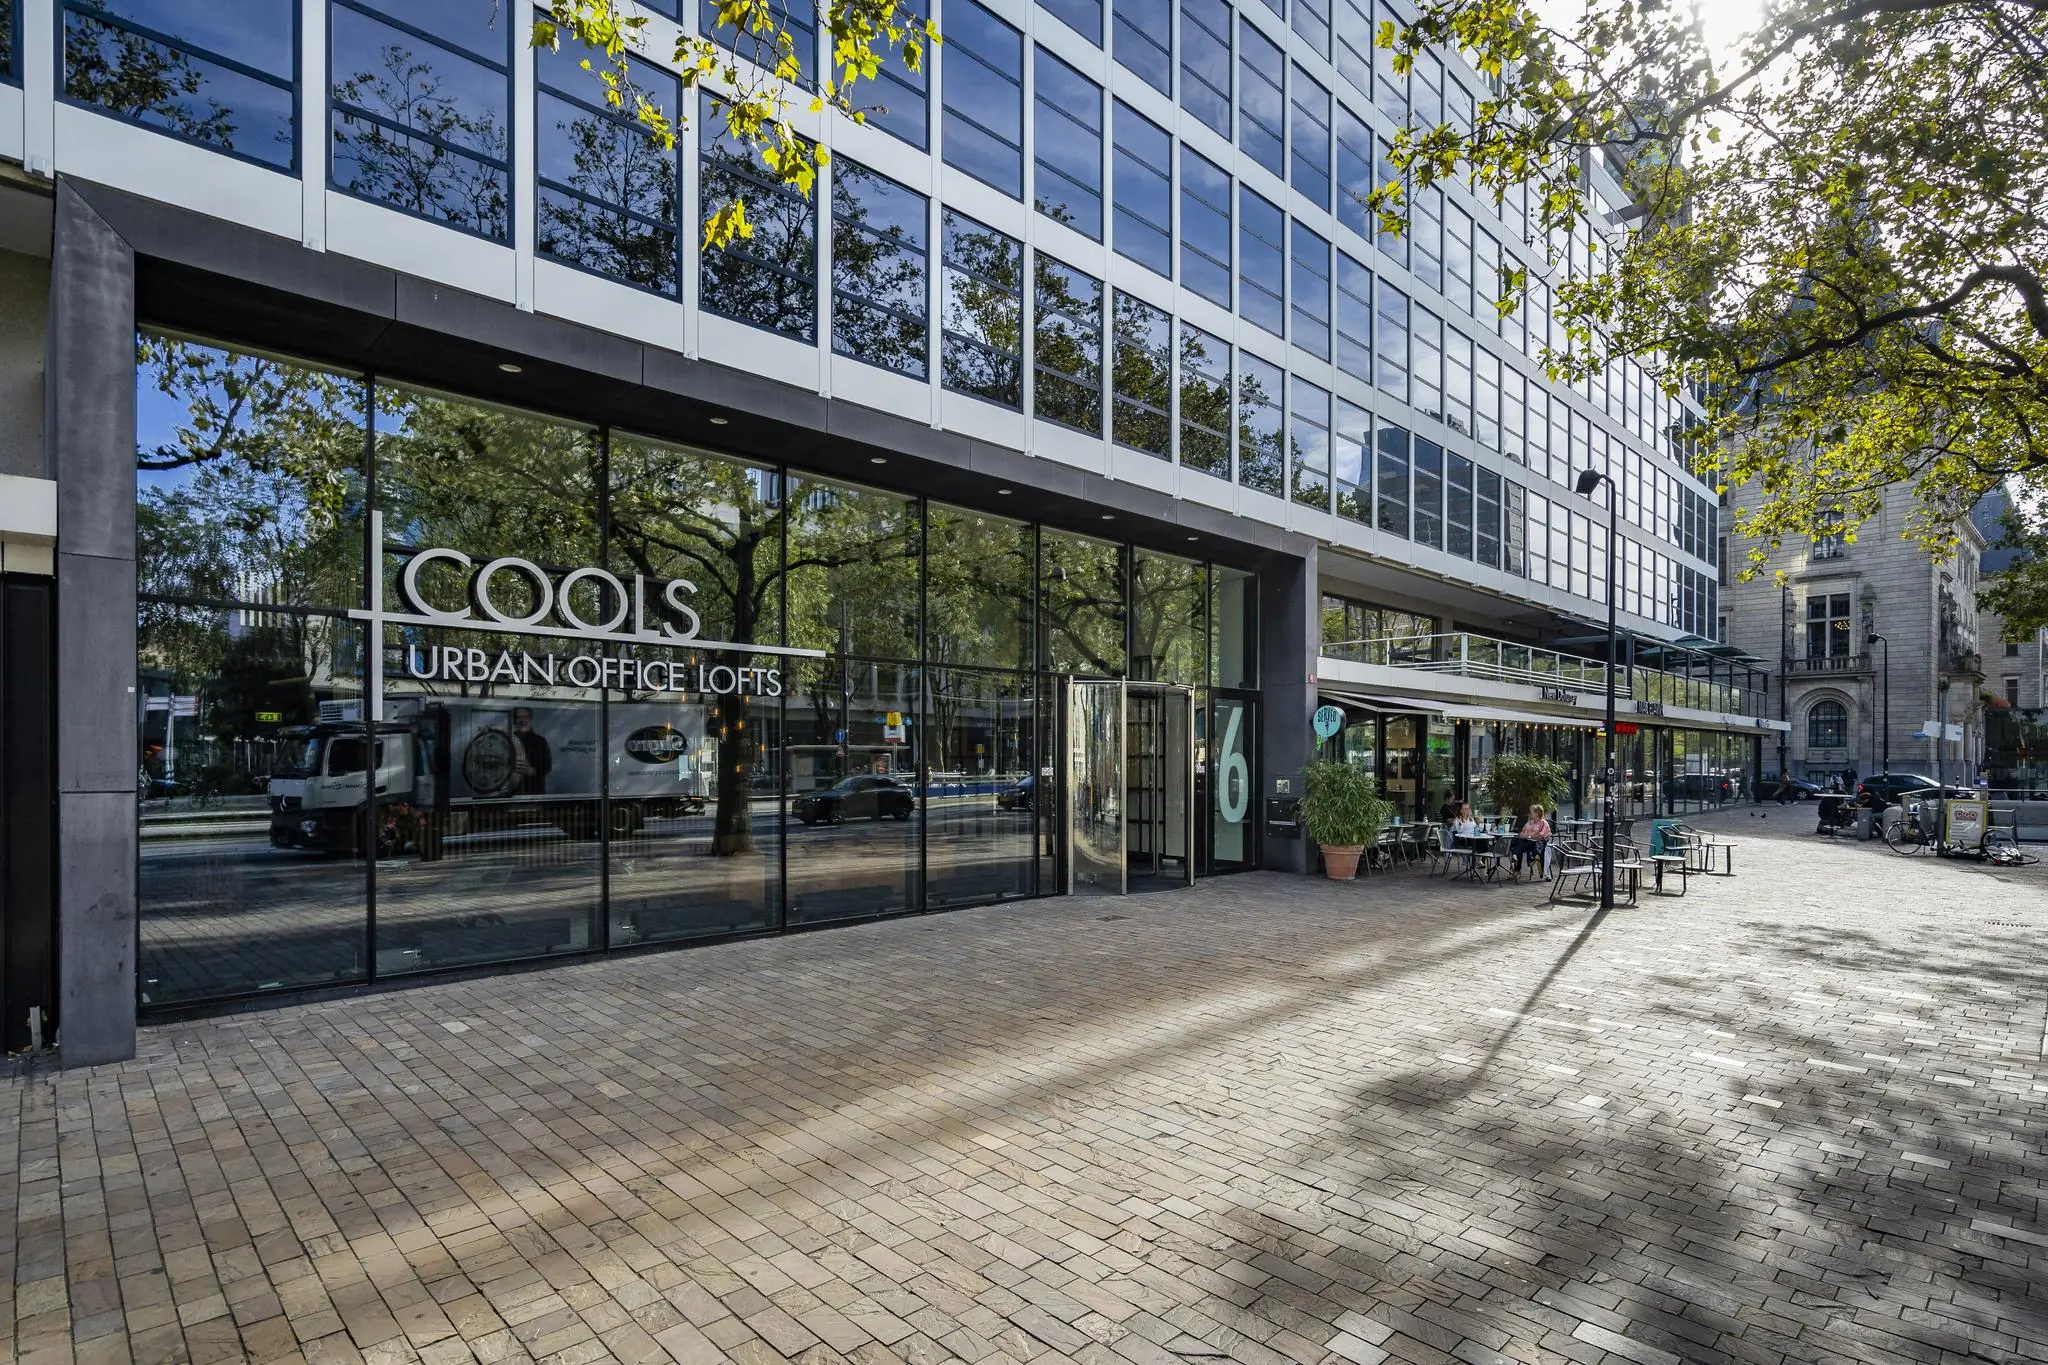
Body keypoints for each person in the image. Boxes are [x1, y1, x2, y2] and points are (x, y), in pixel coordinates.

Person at [512, 707, 553, 797]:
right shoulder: (508, 740)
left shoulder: (540, 741)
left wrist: (532, 771)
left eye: (526, 717)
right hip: (512, 795)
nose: (522, 720)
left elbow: (547, 766)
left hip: (534, 794)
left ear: (531, 719)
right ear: (514, 721)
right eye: (519, 717)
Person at [1511, 803, 1551, 881]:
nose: (1529, 814)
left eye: (1531, 812)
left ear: (1537, 813)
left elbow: (1541, 836)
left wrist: (1528, 836)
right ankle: (1516, 857)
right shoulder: (1529, 822)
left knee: (1519, 846)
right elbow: (1523, 832)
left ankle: (1516, 866)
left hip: (1538, 843)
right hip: (1527, 842)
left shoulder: (1543, 823)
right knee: (1519, 841)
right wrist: (1523, 835)